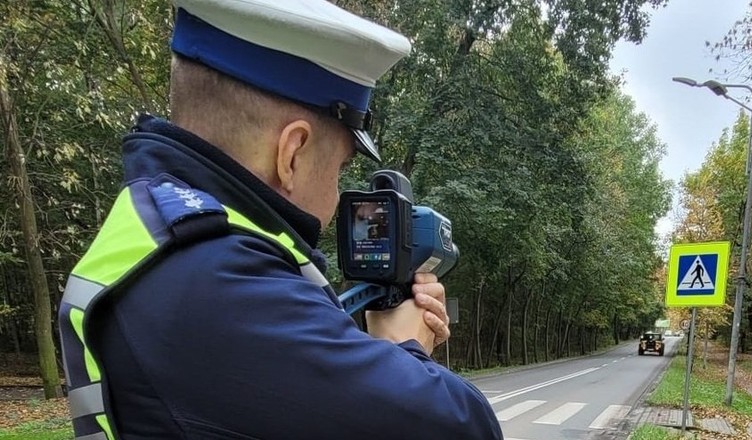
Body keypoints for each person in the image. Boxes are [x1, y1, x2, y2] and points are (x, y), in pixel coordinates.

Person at [57, 1, 503, 439]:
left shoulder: (156, 230)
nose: (334, 201)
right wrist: (407, 350)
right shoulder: (221, 281)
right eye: (338, 170)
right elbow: (461, 425)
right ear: (292, 153)